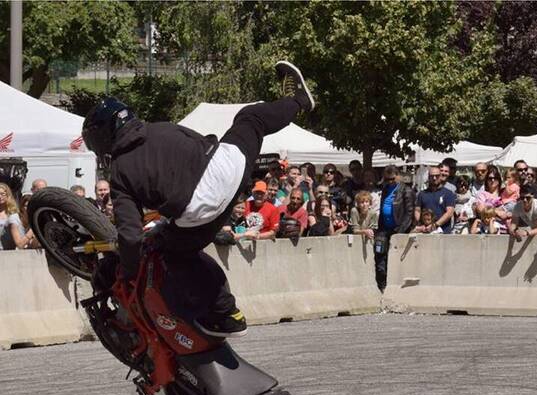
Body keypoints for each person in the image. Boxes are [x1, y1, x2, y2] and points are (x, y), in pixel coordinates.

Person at [83, 61, 314, 337]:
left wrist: (129, 271)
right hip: (229, 171)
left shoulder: (119, 172)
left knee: (176, 254)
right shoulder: (163, 127)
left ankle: (227, 312)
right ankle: (298, 101)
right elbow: (203, 143)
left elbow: (131, 236)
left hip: (200, 211)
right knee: (251, 119)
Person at [375, 165, 416, 291]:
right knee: (380, 256)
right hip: (384, 229)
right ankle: (382, 286)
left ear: (398, 176)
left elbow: (409, 213)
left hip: (398, 229)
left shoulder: (406, 190)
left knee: (396, 260)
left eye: (392, 179)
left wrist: (399, 231)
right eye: (387, 179)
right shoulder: (385, 189)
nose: (390, 182)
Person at [415, 165, 456, 233]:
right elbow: (417, 210)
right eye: (432, 176)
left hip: (443, 232)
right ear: (428, 177)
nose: (434, 178)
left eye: (436, 176)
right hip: (425, 232)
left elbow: (449, 213)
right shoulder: (422, 194)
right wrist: (420, 224)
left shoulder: (448, 193)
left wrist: (435, 225)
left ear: (440, 176)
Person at [0, 182, 26, 250]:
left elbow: (19, 243)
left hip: (8, 253)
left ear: (8, 196)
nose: (0, 197)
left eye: (2, 194)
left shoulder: (13, 214)